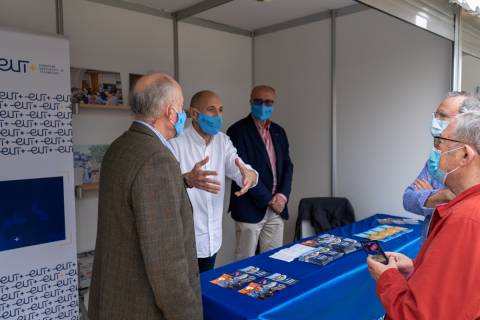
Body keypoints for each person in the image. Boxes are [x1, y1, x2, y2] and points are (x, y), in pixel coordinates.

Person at [88, 72, 202, 320]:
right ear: (170, 112)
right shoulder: (156, 159)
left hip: (113, 295)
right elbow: (166, 263)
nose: (183, 116)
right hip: (142, 306)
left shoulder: (119, 147)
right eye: (181, 108)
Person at [368, 111, 480, 319]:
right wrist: (416, 267)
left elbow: (419, 315)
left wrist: (387, 277)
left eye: (440, 142)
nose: (435, 150)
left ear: (465, 154)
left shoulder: (466, 218)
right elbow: (460, 284)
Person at [170, 90, 258, 272]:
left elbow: (239, 167)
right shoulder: (175, 143)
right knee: (187, 296)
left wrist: (250, 175)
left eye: (221, 110)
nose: (218, 116)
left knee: (205, 294)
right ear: (194, 114)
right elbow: (162, 187)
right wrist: (186, 179)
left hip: (212, 239)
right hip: (184, 241)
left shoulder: (223, 141)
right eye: (211, 110)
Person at [227, 85, 294, 260]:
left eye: (268, 102)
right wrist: (269, 199)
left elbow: (288, 166)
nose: (263, 105)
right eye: (258, 101)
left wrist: (282, 196)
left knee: (274, 261)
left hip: (276, 208)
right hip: (249, 207)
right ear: (250, 102)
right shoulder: (237, 131)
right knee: (244, 262)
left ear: (274, 104)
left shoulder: (279, 131)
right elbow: (241, 171)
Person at [403, 92, 480, 241]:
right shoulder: (437, 158)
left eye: (442, 116)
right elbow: (408, 199)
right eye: (435, 115)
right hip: (431, 247)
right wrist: (442, 195)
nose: (435, 120)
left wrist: (430, 196)